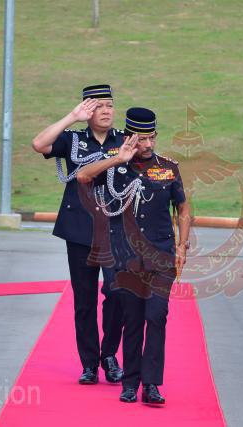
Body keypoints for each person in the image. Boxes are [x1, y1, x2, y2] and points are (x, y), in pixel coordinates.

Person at [77, 107, 191, 405]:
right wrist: (118, 158)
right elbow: (83, 177)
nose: (148, 144)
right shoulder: (113, 165)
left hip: (161, 255)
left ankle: (151, 384)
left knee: (157, 316)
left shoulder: (168, 167)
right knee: (133, 320)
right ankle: (130, 382)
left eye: (152, 137)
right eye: (142, 139)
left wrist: (183, 245)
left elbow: (183, 208)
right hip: (125, 256)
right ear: (129, 137)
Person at [31, 84, 124, 384]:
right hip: (80, 229)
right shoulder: (74, 140)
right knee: (84, 300)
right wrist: (72, 117)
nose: (106, 111)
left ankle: (109, 354)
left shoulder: (125, 140)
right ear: (87, 110)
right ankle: (89, 364)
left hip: (115, 229)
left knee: (117, 293)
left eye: (110, 105)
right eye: (99, 106)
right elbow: (39, 144)